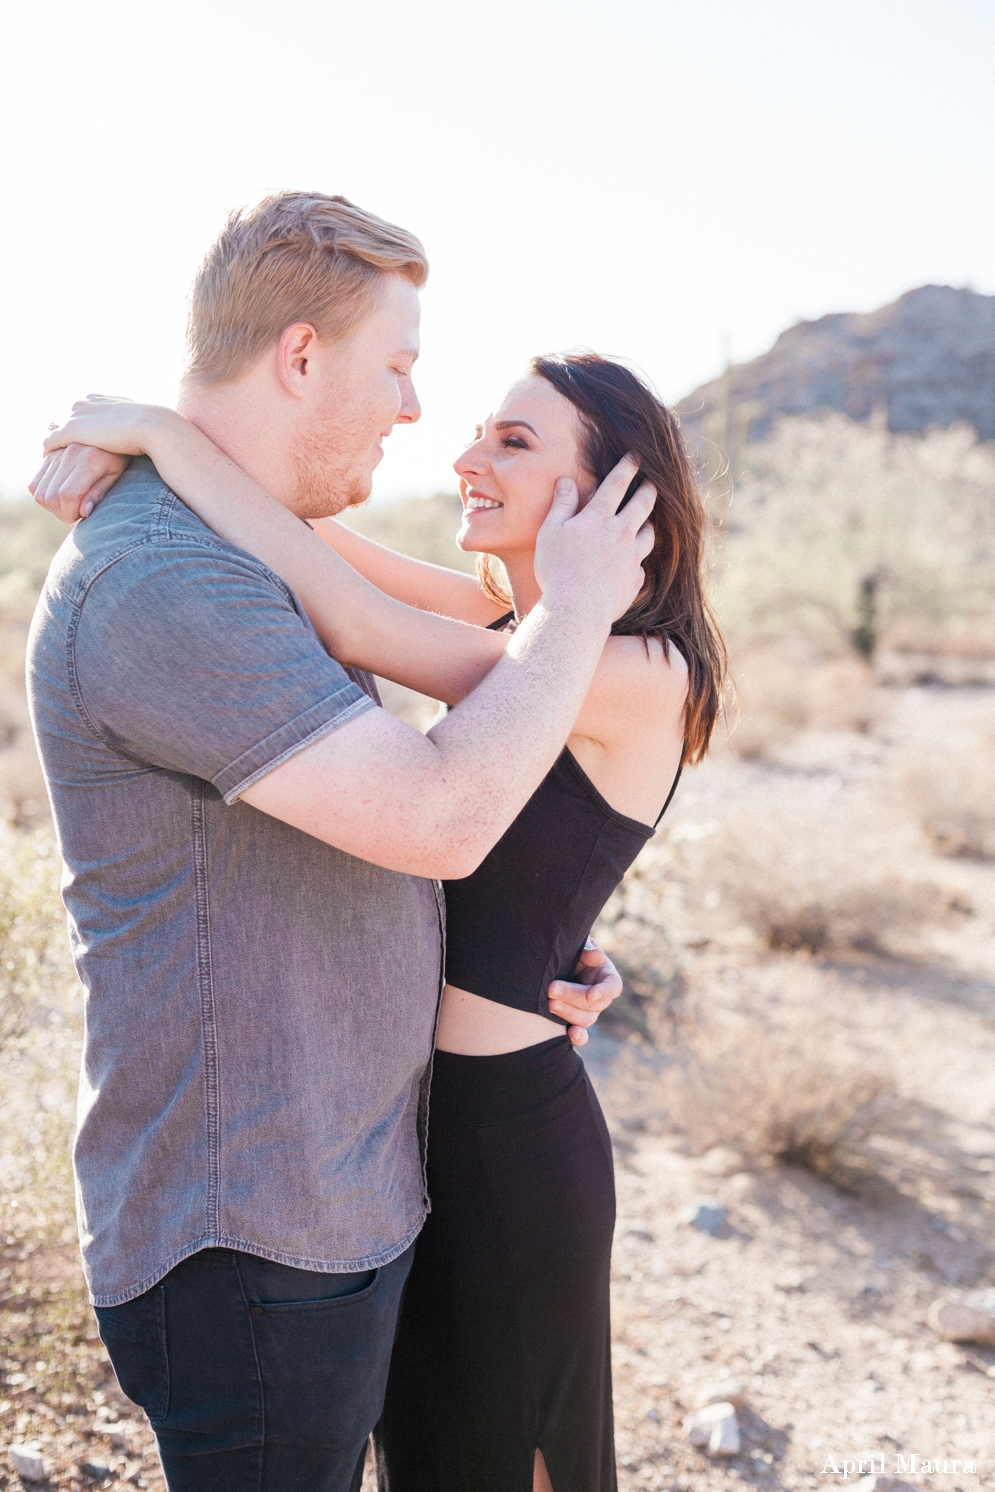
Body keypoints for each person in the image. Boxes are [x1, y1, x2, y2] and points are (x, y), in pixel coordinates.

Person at [27, 192, 657, 1492]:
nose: (440, 432)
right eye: (408, 372)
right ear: (304, 356)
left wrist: (539, 942)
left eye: (510, 437)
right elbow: (336, 584)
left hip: (445, 1148)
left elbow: (371, 633)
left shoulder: (624, 658)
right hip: (322, 1186)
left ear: (600, 497)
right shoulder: (185, 584)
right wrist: (161, 436)